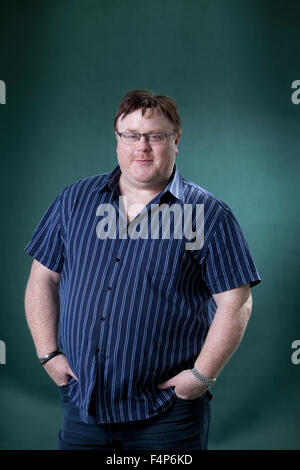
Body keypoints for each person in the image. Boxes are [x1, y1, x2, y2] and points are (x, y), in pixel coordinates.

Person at [24, 89, 261, 450]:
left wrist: (199, 377)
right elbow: (43, 278)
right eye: (131, 135)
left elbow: (236, 303)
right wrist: (49, 354)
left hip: (167, 414)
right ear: (117, 139)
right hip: (83, 406)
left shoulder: (207, 214)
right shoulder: (74, 200)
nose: (142, 147)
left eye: (155, 136)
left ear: (175, 140)